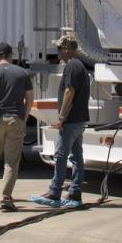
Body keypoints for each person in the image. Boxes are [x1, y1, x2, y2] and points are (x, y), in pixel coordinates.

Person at [32, 34, 90, 209]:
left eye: (59, 49)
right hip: (80, 119)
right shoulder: (80, 66)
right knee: (77, 156)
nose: (58, 52)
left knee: (61, 155)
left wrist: (62, 116)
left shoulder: (72, 66)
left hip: (71, 120)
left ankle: (55, 192)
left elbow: (69, 91)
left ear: (67, 49)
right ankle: (75, 193)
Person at [0, 41, 33, 211]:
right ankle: (6, 198)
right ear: (11, 56)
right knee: (11, 161)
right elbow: (30, 98)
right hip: (15, 118)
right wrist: (24, 118)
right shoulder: (22, 73)